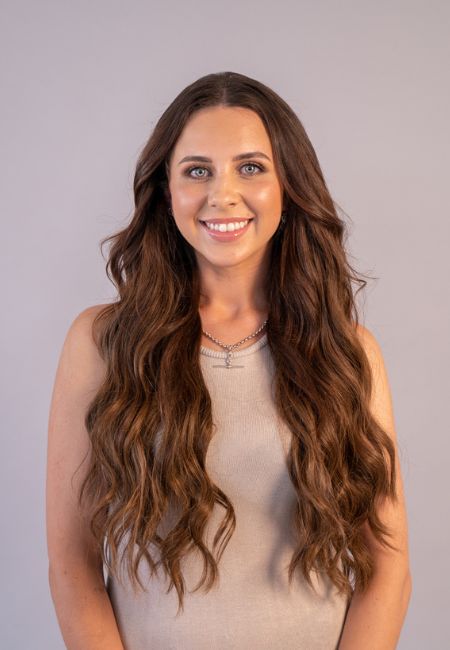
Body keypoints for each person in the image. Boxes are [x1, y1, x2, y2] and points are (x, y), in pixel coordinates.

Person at [46, 71, 412, 650]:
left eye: (251, 167)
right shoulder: (102, 343)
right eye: (198, 171)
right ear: (167, 192)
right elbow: (73, 563)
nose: (223, 194)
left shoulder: (348, 353)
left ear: (287, 186)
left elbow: (387, 566)